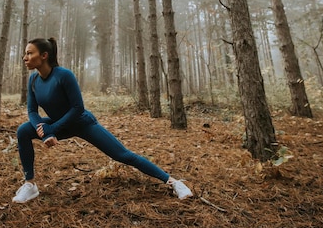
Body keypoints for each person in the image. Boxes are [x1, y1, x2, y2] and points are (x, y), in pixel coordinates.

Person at [12, 37, 193, 203]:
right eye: (25, 53)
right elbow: (32, 110)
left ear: (44, 55)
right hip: (59, 123)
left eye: (29, 53)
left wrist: (52, 129)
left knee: (123, 155)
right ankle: (30, 185)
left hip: (82, 123)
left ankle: (172, 182)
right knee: (23, 131)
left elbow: (77, 108)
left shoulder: (63, 75)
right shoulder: (34, 79)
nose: (25, 57)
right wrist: (43, 130)